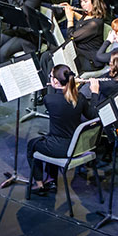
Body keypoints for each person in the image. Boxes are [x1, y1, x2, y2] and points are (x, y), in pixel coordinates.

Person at [26, 64, 93, 196]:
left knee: (31, 144)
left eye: (51, 77)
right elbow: (93, 114)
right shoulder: (80, 98)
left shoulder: (49, 100)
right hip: (78, 146)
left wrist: (63, 86)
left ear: (55, 81)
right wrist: (93, 92)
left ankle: (39, 184)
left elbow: (56, 98)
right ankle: (51, 180)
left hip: (61, 149)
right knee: (48, 138)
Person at [54, 0, 106, 73]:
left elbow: (71, 37)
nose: (82, 4)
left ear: (94, 2)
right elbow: (83, 20)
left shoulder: (95, 24)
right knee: (49, 55)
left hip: (89, 60)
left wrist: (70, 19)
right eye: (81, 1)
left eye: (85, 1)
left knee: (55, 60)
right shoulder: (88, 15)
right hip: (80, 52)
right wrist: (73, 12)